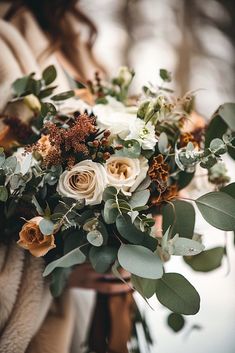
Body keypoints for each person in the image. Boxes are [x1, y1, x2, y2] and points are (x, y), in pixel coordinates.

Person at [0, 1, 132, 353]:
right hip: (49, 303)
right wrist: (59, 268)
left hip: (93, 305)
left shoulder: (72, 38)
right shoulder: (6, 42)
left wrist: (140, 224)